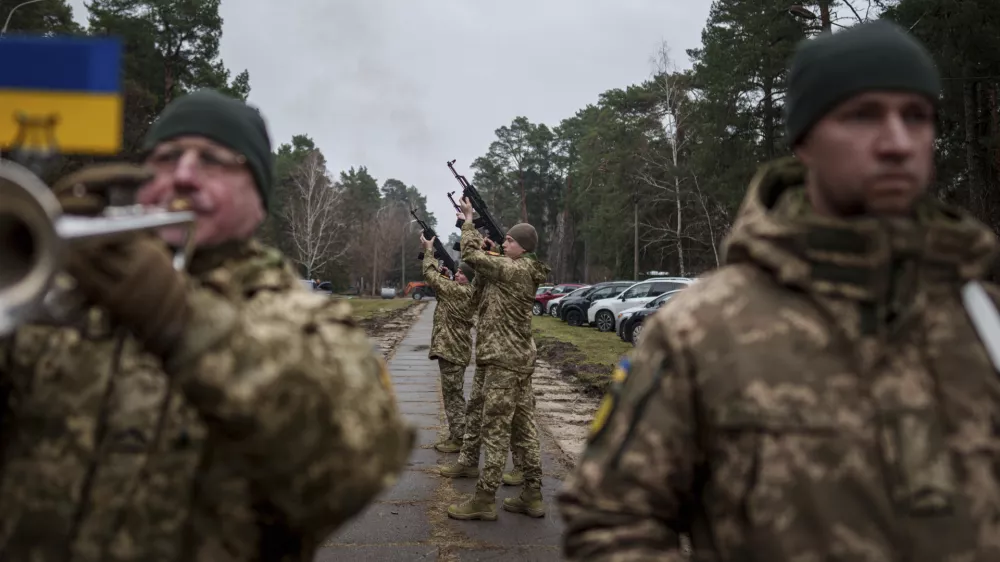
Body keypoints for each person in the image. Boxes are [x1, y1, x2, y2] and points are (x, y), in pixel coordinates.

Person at [558, 20, 1000, 561]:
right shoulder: (706, 328)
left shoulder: (983, 318)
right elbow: (610, 521)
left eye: (917, 116)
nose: (897, 142)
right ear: (803, 141)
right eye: (862, 115)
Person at [0, 89, 414, 562]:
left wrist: (179, 318)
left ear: (257, 194)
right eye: (166, 157)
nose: (183, 176)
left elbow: (353, 469)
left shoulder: (310, 318)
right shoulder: (57, 292)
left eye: (214, 160)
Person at [445, 197, 550, 521]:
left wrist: (468, 222)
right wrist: (490, 253)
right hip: (513, 361)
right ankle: (532, 494)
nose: (503, 242)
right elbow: (477, 298)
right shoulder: (513, 270)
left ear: (523, 247)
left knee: (495, 429)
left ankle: (484, 498)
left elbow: (471, 255)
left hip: (504, 363)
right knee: (524, 428)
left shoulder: (513, 270)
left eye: (509, 240)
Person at [418, 235, 476, 453]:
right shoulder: (462, 292)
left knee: (453, 397)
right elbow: (443, 295)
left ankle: (459, 438)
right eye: (457, 271)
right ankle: (457, 434)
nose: (457, 274)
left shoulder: (460, 292)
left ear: (468, 279)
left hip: (452, 351)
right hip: (454, 350)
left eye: (461, 273)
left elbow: (430, 276)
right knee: (453, 395)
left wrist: (429, 251)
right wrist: (448, 277)